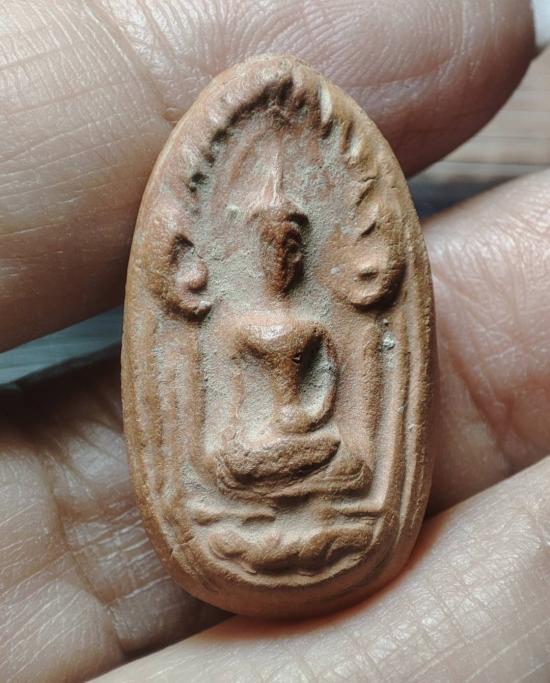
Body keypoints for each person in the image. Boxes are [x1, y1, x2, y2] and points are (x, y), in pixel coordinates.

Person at [1, 1, 549, 681]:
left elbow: (331, 392)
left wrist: (309, 424)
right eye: (272, 247)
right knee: (224, 462)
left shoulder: (315, 324)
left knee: (348, 462)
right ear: (255, 249)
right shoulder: (234, 327)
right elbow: (226, 415)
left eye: (292, 249)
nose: (282, 260)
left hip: (310, 444)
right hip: (251, 448)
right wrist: (251, 443)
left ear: (302, 253)